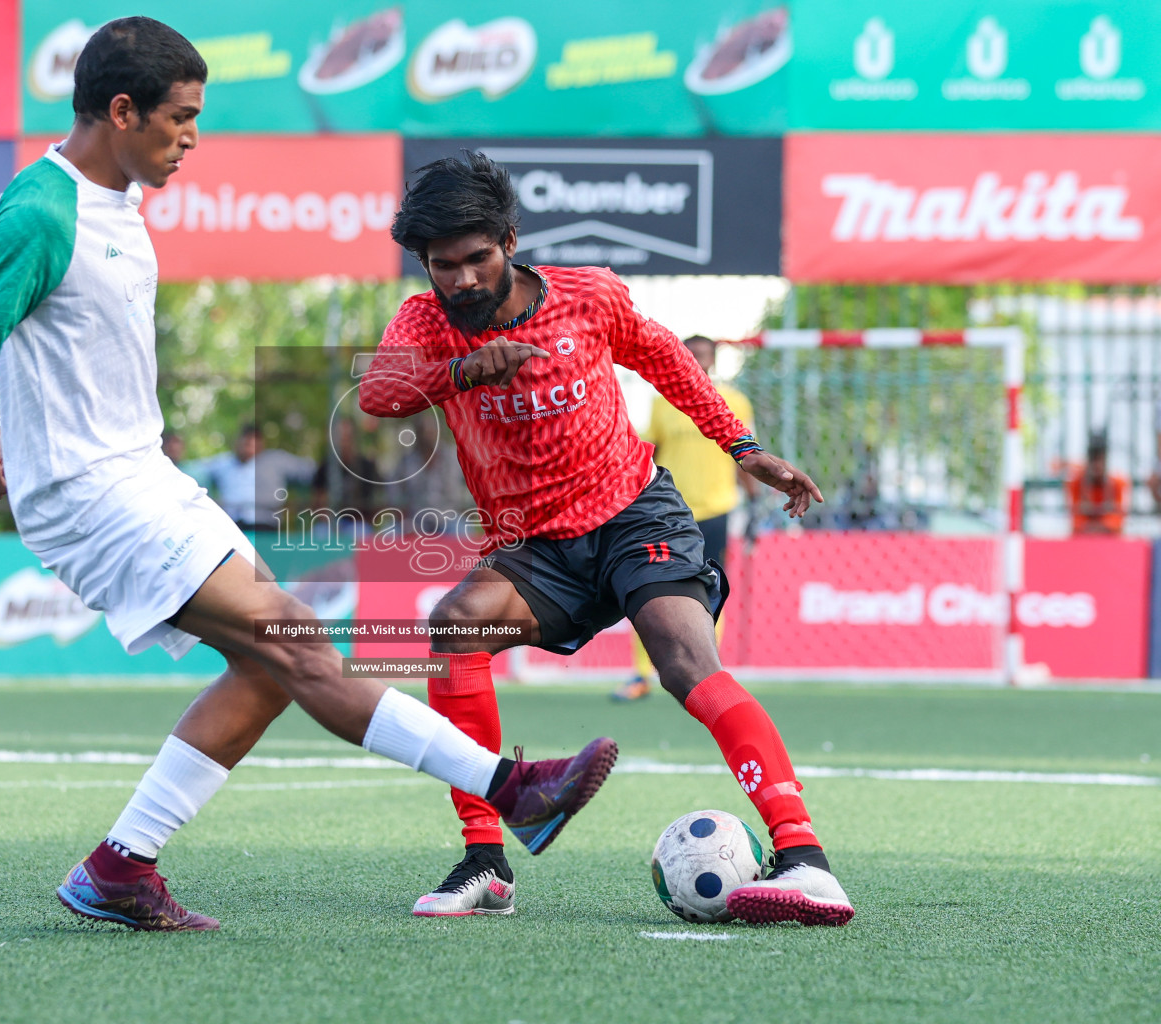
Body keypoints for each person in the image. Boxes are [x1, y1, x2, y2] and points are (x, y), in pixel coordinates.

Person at [0, 18, 616, 933]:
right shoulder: (43, 209)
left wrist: (15, 436)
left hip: (138, 476)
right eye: (181, 118)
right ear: (122, 112)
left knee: (270, 665)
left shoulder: (115, 202)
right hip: (93, 496)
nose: (192, 137)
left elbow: (50, 344)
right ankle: (512, 788)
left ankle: (121, 866)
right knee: (298, 643)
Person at [358, 151, 852, 926]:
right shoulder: (425, 322)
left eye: (476, 259)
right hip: (533, 551)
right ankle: (486, 863)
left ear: (510, 242)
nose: (459, 280)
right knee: (453, 629)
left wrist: (745, 450)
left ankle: (804, 858)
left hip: (631, 514)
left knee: (685, 663)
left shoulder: (588, 295)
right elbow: (379, 394)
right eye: (441, 265)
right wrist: (465, 372)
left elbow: (668, 363)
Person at [614, 334, 758, 702]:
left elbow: (744, 451)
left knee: (712, 588)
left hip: (716, 508)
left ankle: (708, 672)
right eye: (691, 355)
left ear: (714, 360)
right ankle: (640, 675)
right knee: (645, 586)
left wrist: (755, 496)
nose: (698, 361)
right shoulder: (664, 403)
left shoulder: (736, 401)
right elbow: (648, 453)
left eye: (704, 356)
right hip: (668, 512)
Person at [187, 423, 315, 528]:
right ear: (237, 442)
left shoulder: (276, 460)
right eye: (245, 439)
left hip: (266, 524)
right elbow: (193, 469)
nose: (248, 444)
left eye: (253, 440)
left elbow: (311, 470)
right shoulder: (223, 463)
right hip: (232, 525)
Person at [1069, 432, 1126, 535]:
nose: (1097, 466)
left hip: (1109, 541)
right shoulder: (1076, 483)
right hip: (1084, 540)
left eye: (1100, 460)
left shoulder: (1117, 483)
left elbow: (1117, 522)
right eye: (1093, 460)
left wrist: (1098, 526)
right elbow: (1076, 522)